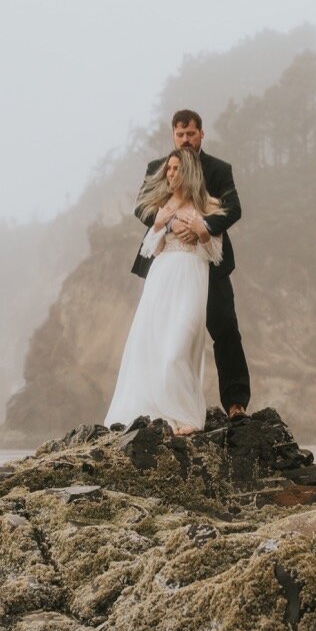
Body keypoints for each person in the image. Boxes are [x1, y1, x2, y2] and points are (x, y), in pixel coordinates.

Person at [130, 110, 250, 418]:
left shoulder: (218, 169)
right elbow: (142, 207)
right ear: (173, 135)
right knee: (161, 333)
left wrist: (201, 226)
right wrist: (170, 226)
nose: (185, 140)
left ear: (201, 134)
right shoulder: (158, 168)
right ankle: (158, 403)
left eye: (191, 134)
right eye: (180, 135)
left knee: (225, 327)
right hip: (168, 263)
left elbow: (233, 209)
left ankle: (236, 402)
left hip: (209, 263)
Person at [104, 147, 226, 434]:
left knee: (178, 346)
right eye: (168, 169)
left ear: (190, 172)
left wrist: (201, 230)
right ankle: (160, 413)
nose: (171, 174)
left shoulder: (208, 205)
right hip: (161, 278)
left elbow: (216, 253)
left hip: (192, 277)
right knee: (154, 345)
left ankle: (187, 416)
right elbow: (151, 248)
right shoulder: (163, 206)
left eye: (176, 169)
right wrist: (162, 224)